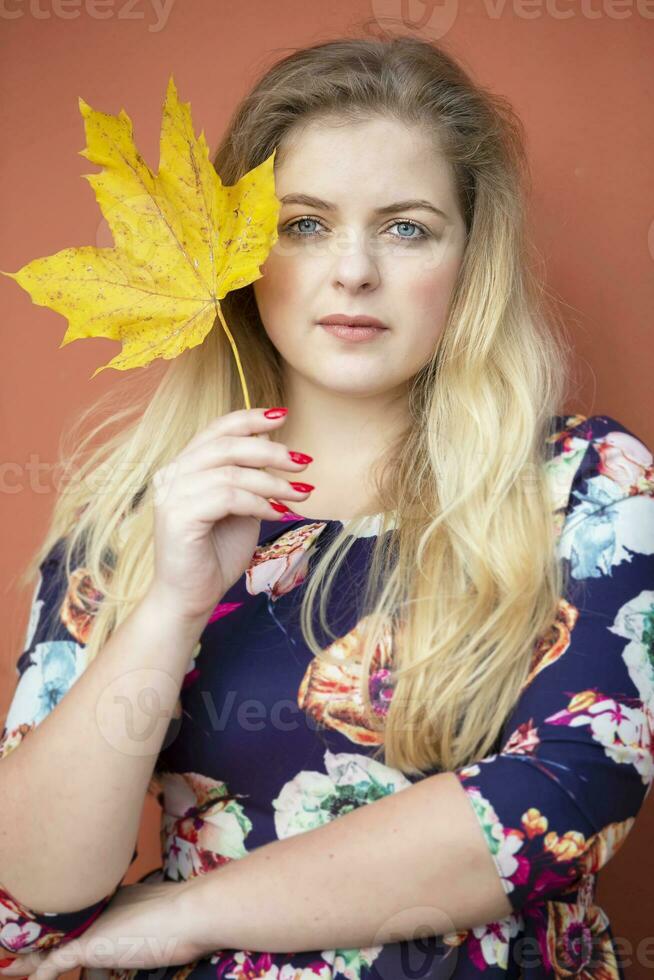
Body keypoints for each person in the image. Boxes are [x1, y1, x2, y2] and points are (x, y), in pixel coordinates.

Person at [1, 32, 653, 980]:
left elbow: (562, 799)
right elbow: (30, 897)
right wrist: (170, 609)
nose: (353, 271)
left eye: (407, 227)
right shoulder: (136, 518)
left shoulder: (589, 486)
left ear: (471, 255)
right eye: (303, 224)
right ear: (237, 253)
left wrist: (192, 911)